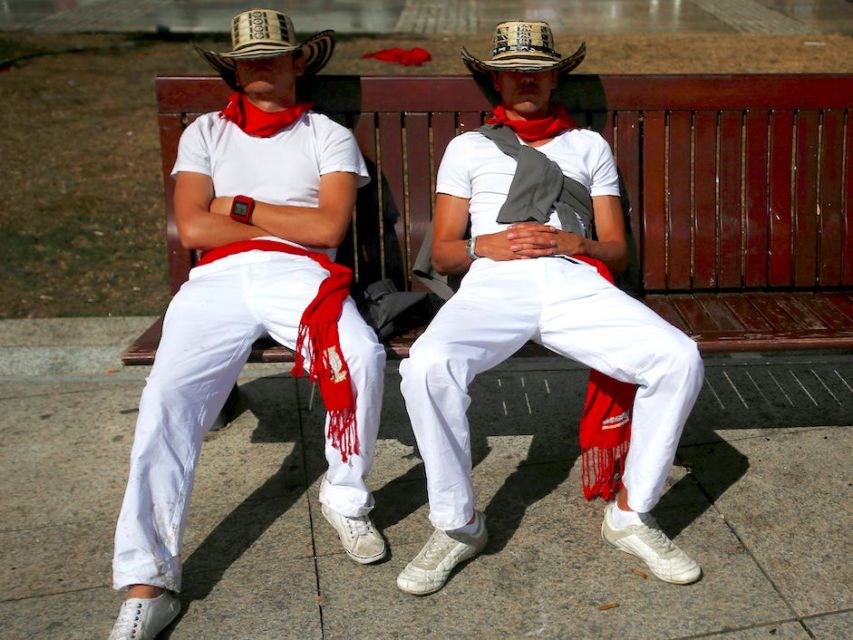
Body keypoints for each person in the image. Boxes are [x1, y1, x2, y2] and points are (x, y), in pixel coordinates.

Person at [396, 21, 704, 596]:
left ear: (556, 74)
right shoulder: (468, 147)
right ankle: (458, 525)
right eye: (511, 72)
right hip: (493, 280)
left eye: (536, 69)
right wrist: (475, 246)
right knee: (427, 365)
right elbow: (441, 251)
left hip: (572, 279)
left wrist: (577, 243)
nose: (524, 80)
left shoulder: (589, 145)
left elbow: (616, 246)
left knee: (677, 357)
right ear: (494, 80)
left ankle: (632, 514)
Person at [108, 10, 386, 639]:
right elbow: (193, 229)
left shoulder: (326, 134)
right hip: (218, 280)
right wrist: (278, 219)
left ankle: (346, 496)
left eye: (274, 56)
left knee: (363, 356)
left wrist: (237, 205)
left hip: (302, 273)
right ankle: (146, 579)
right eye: (249, 57)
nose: (261, 67)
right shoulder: (205, 132)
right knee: (166, 400)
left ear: (297, 62)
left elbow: (326, 230)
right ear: (234, 66)